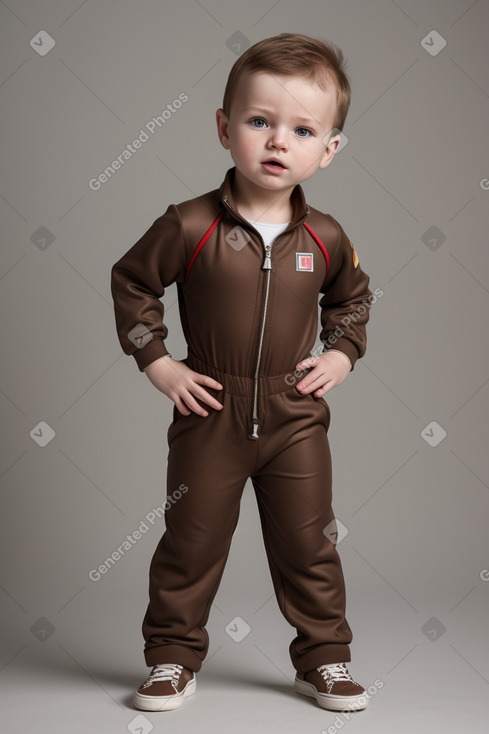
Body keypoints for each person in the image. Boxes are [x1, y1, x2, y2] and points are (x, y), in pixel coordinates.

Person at [110, 32, 374, 713]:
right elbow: (133, 283)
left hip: (295, 420)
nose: (277, 141)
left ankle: (325, 659)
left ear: (328, 149)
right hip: (209, 415)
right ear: (225, 128)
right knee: (190, 541)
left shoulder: (327, 238)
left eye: (301, 129)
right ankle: (171, 658)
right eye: (259, 121)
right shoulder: (189, 223)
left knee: (309, 544)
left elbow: (352, 300)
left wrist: (341, 351)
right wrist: (159, 362)